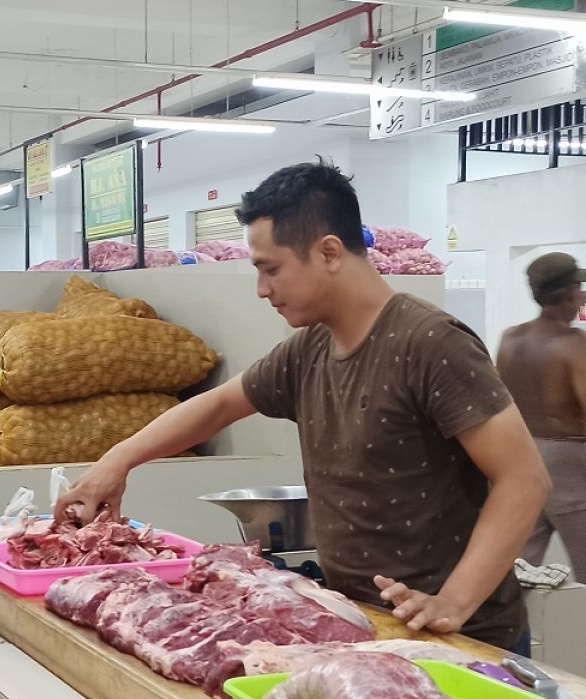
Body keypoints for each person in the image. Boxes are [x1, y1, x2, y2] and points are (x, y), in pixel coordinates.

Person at [56, 161, 549, 652]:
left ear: (328, 252)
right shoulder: (310, 348)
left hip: (461, 638)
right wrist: (116, 463)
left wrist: (454, 602)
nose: (262, 289)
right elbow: (217, 406)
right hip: (370, 624)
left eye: (271, 269)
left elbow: (524, 479)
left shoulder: (431, 343)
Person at [497, 252, 586, 581]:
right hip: (570, 467)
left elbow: (497, 399)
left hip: (520, 457)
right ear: (569, 294)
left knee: (522, 568)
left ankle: (526, 633)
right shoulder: (574, 344)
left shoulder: (510, 339)